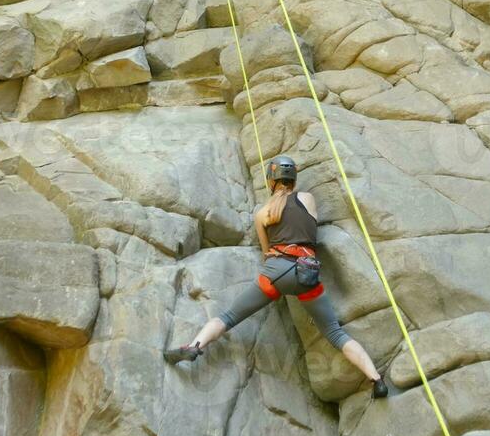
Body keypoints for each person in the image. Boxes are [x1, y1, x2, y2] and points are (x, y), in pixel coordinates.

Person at [163, 155, 389, 399]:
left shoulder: (263, 213)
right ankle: (376, 380)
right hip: (306, 275)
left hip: (275, 274)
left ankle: (194, 346)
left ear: (271, 179)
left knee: (228, 317)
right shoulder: (307, 199)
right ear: (293, 178)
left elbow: (267, 252)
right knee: (335, 333)